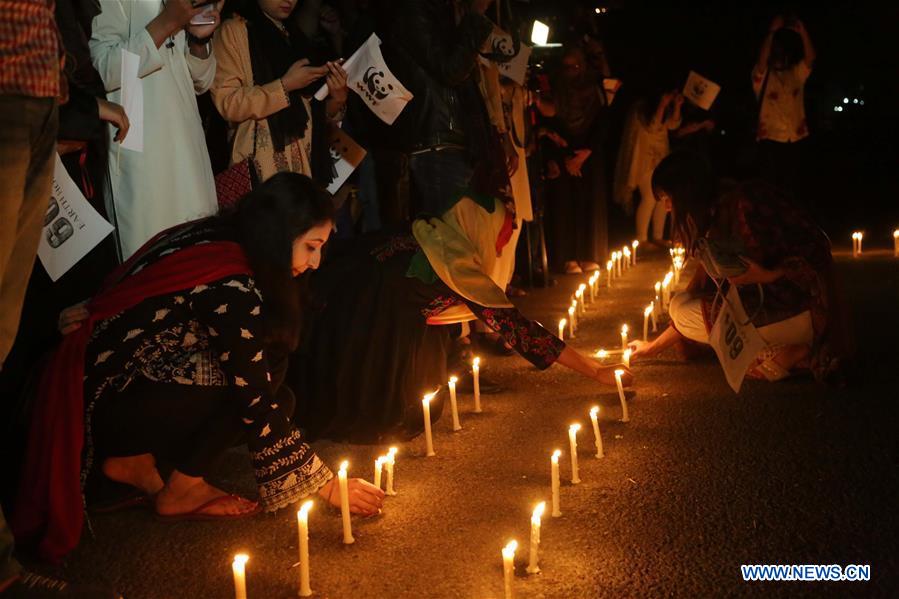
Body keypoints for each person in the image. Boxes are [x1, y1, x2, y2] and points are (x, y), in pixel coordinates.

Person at [12, 173, 384, 563]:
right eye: (311, 246)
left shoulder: (219, 238)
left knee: (275, 379)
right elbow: (255, 398)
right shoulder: (232, 286)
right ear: (279, 234)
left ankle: (135, 461)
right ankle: (177, 487)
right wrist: (328, 486)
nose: (315, 263)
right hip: (96, 409)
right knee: (267, 384)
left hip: (113, 390)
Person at [629, 152, 850, 384]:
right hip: (771, 304)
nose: (666, 207)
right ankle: (775, 348)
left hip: (807, 309)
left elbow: (814, 253)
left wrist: (766, 275)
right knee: (679, 305)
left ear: (686, 191)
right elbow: (701, 286)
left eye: (668, 197)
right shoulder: (717, 212)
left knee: (684, 312)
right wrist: (652, 348)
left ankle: (789, 350)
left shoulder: (746, 203)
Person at [90, 0, 224, 259]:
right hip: (142, 150)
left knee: (199, 256)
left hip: (188, 146)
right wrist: (168, 23)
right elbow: (102, 69)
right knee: (152, 263)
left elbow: (202, 81)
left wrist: (199, 39)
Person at [210, 0, 348, 185]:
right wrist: (284, 86)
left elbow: (308, 112)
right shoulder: (234, 30)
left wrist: (337, 98)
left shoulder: (294, 34)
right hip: (261, 167)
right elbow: (228, 103)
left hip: (302, 166)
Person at [544, 45, 609, 274]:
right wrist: (566, 155)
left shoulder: (594, 90)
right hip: (564, 155)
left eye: (576, 66)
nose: (572, 71)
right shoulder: (555, 92)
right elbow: (549, 124)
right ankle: (568, 256)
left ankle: (589, 254)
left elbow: (603, 122)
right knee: (566, 205)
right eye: (567, 67)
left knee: (588, 204)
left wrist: (585, 152)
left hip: (589, 156)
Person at [752, 14, 815, 201]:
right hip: (770, 138)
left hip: (795, 137)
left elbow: (810, 59)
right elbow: (761, 61)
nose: (779, 57)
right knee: (772, 190)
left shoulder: (795, 74)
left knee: (792, 190)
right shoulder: (762, 78)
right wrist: (771, 32)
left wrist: (802, 32)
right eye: (775, 53)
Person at [614, 90, 683, 246]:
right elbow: (653, 126)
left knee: (663, 198)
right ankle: (642, 238)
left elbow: (673, 124)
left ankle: (658, 236)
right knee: (649, 197)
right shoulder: (641, 109)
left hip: (661, 158)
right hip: (645, 160)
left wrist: (677, 105)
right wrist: (663, 104)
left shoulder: (665, 109)